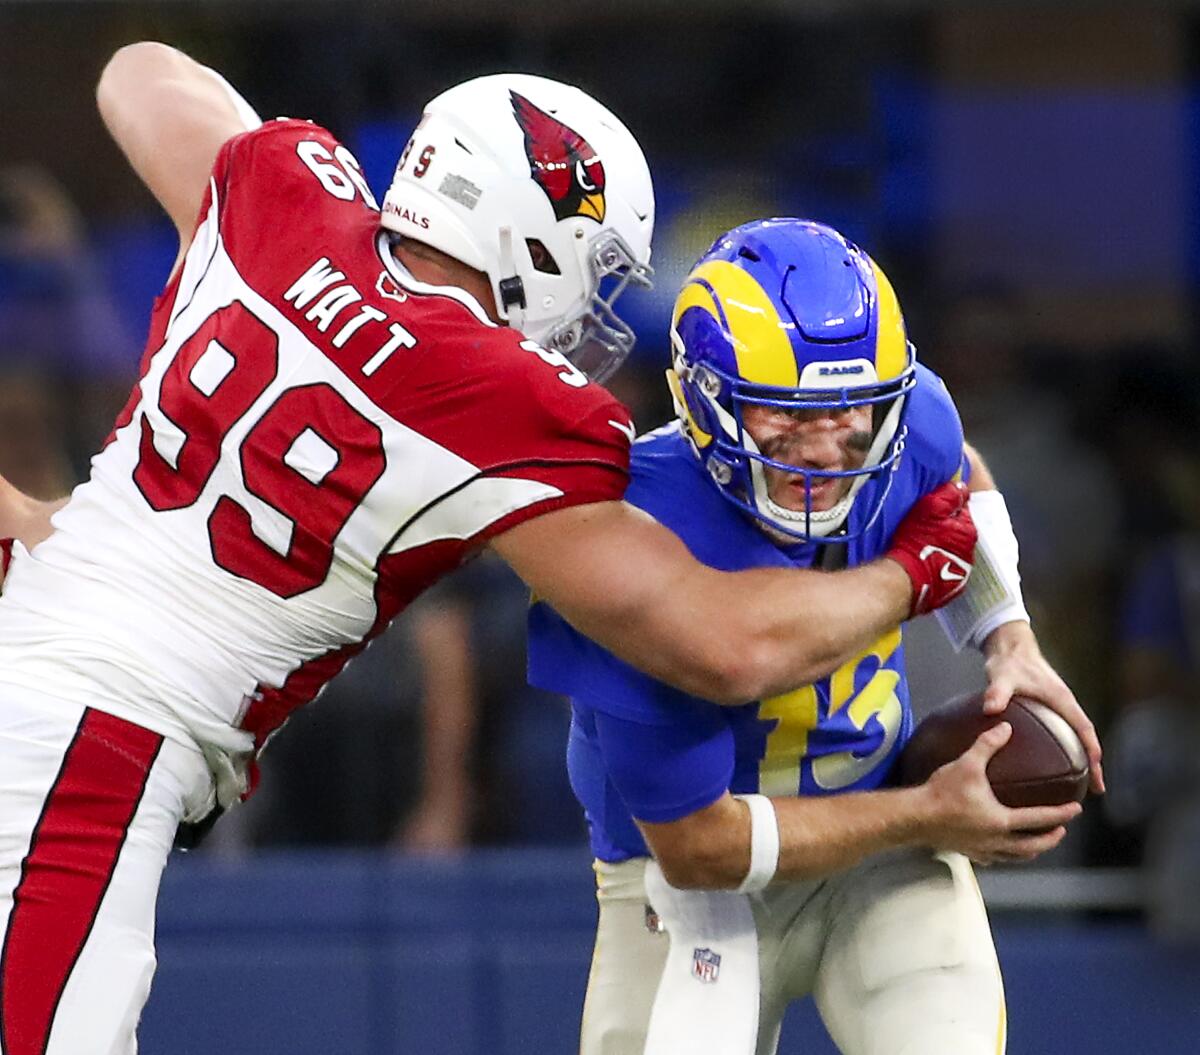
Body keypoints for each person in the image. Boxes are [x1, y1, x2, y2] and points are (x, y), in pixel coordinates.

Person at [0, 43, 990, 1053]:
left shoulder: (278, 191)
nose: (594, 314)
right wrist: (917, 566)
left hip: (35, 656)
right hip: (95, 741)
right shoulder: (503, 401)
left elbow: (136, 70)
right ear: (533, 235)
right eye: (597, 269)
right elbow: (723, 645)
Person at [527, 219, 1102, 1055]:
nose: (829, 448)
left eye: (852, 411)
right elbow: (699, 847)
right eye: (783, 415)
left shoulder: (905, 426)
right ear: (701, 397)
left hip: (879, 861)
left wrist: (1007, 632)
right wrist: (923, 811)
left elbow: (954, 471)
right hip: (691, 895)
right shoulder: (631, 528)